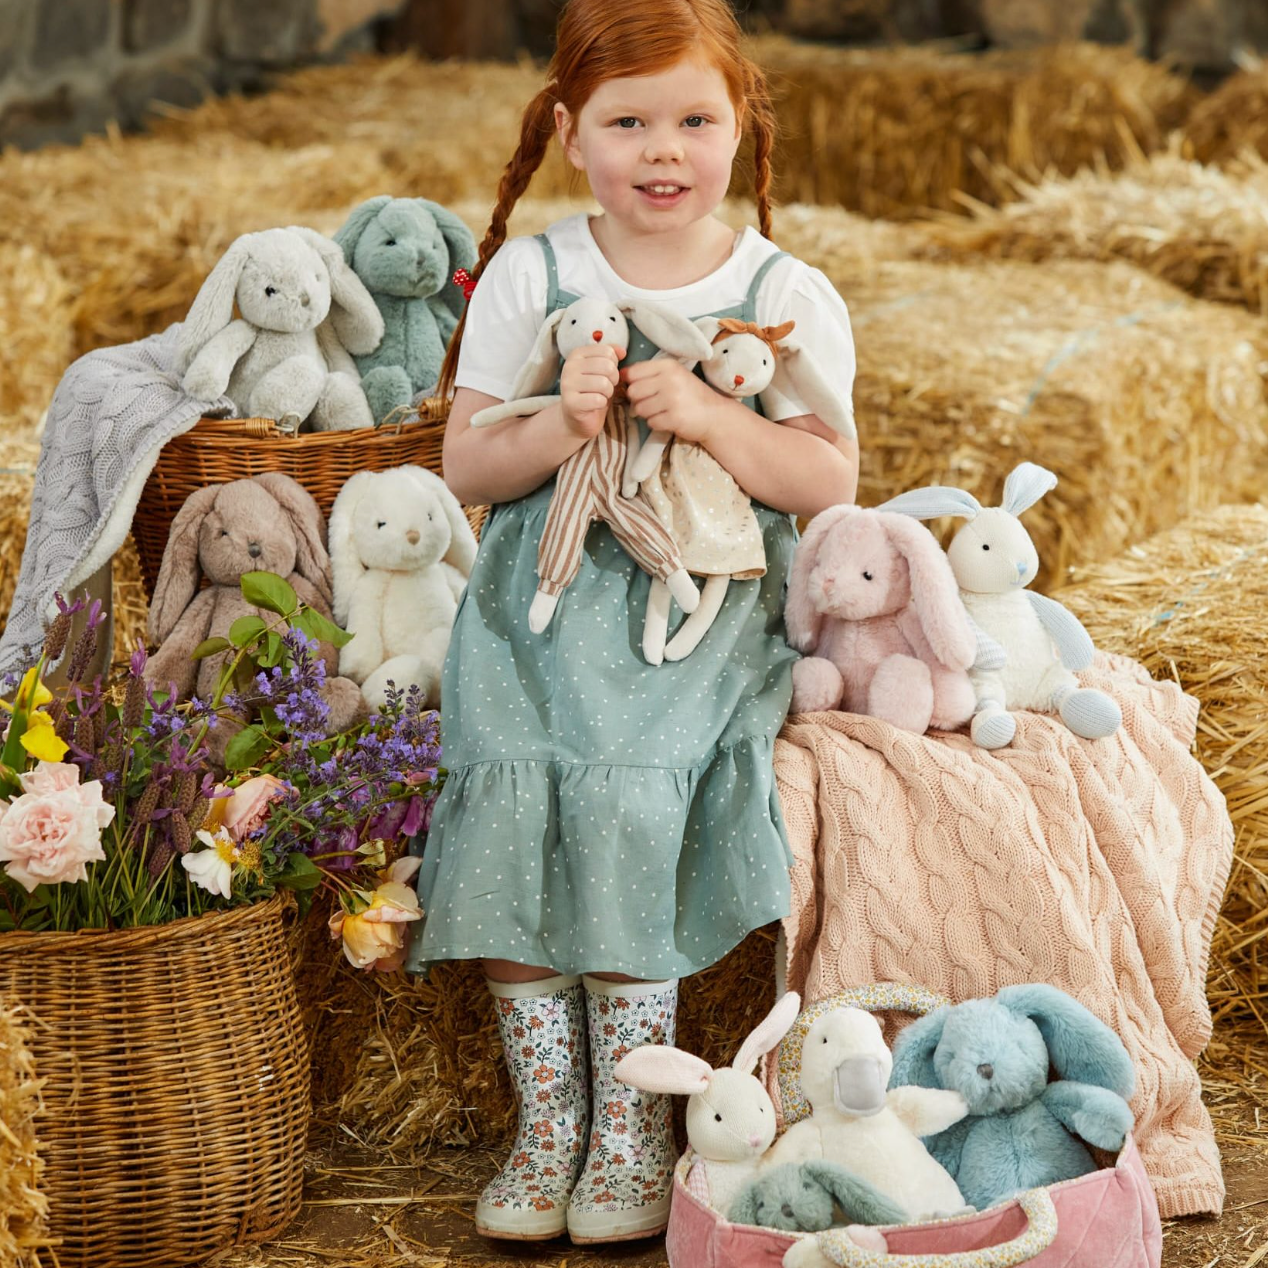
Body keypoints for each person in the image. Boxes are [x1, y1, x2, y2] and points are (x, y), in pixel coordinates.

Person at [407, 0, 859, 1245]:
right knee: (512, 782)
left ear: (739, 126)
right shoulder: (535, 274)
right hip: (539, 600)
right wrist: (563, 422)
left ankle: (628, 1126)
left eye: (694, 120)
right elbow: (465, 464)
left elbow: (826, 478)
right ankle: (547, 1119)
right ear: (569, 133)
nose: (663, 149)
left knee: (622, 795)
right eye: (627, 123)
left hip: (696, 612)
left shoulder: (777, 291)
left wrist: (710, 417)